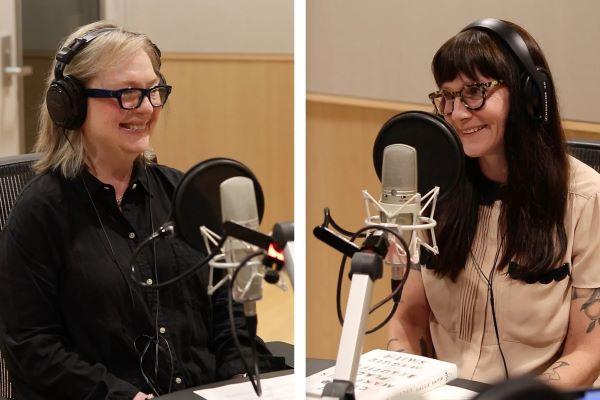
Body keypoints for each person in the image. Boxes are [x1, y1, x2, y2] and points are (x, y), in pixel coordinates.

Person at [0, 21, 284, 400]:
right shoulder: (40, 213)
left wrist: (237, 382)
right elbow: (31, 347)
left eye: (154, 91)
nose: (147, 107)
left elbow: (227, 314)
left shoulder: (183, 195)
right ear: (70, 104)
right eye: (128, 94)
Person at [388, 19, 600, 389]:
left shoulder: (586, 198)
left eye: (474, 92)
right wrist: (407, 386)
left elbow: (588, 350)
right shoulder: (435, 191)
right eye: (447, 97)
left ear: (527, 95)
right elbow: (409, 318)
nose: (456, 113)